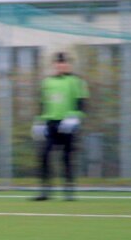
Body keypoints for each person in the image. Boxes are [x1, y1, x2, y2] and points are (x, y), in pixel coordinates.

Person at [31, 52, 89, 201]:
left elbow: (81, 103)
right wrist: (39, 121)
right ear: (54, 65)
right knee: (44, 155)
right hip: (50, 123)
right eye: (58, 63)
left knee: (67, 157)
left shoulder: (76, 81)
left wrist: (75, 117)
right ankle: (45, 190)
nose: (60, 65)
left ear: (68, 65)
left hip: (67, 123)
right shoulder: (47, 82)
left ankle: (69, 190)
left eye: (63, 63)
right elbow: (42, 104)